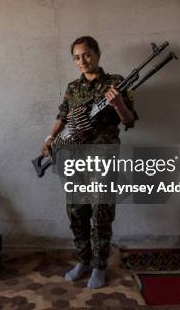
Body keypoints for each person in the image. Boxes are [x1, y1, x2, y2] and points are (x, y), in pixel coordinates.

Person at [41, 36, 136, 289]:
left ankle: (99, 266)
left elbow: (129, 121)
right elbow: (63, 115)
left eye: (87, 54)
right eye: (76, 57)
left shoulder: (116, 82)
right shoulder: (73, 88)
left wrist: (118, 104)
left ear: (97, 54)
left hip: (103, 157)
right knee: (76, 211)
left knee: (101, 213)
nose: (82, 61)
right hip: (73, 157)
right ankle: (83, 260)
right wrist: (50, 138)